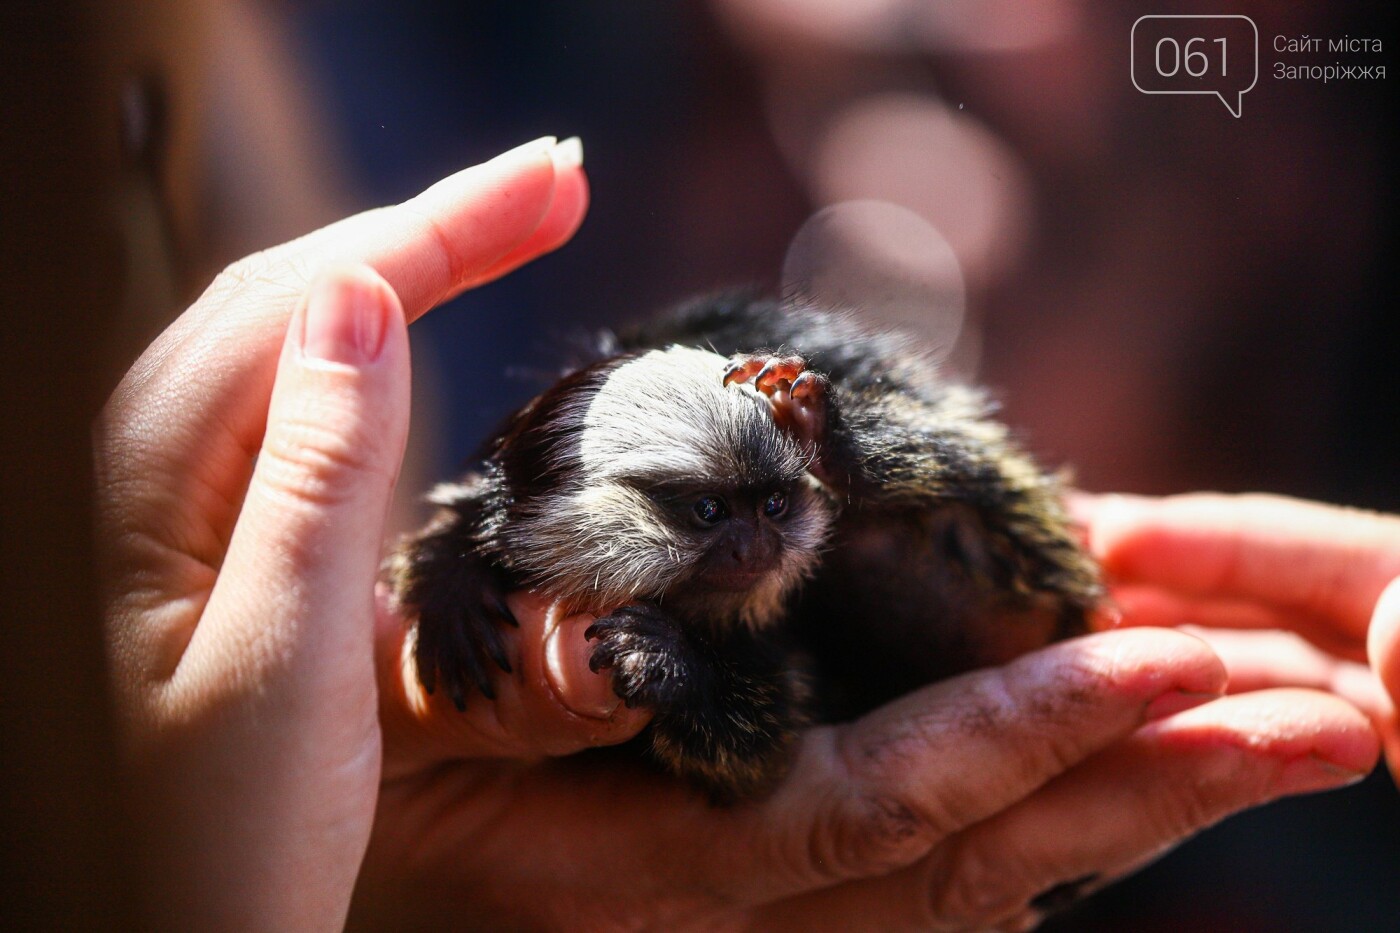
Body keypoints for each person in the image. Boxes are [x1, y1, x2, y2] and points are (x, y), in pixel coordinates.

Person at [94, 138, 1386, 931]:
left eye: (779, 509)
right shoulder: (510, 537)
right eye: (708, 516)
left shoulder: (848, 464)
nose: (758, 540)